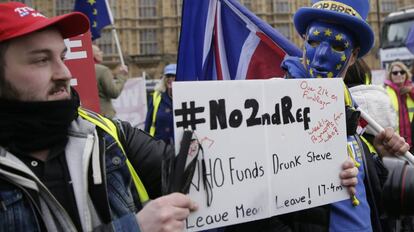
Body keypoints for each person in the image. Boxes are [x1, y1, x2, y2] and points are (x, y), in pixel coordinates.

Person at [0, 2, 197, 232]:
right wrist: (133, 229)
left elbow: (197, 173)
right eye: (41, 59)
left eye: (63, 57)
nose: (65, 73)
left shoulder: (106, 133)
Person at [277, 0, 410, 231]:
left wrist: (380, 158)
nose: (319, 57)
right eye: (314, 41)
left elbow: (365, 195)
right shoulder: (277, 106)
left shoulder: (347, 105)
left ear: (353, 55)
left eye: (338, 46)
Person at [384, 61, 414, 151]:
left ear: (406, 74)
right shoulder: (385, 92)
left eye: (402, 72)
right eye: (395, 73)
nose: (399, 74)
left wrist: (411, 91)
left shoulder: (411, 90)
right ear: (390, 75)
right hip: (395, 142)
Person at [92, 44, 128, 118]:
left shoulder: (83, 70)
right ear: (92, 55)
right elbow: (114, 92)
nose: (102, 53)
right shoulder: (102, 70)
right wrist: (121, 76)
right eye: (98, 51)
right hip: (105, 115)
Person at [144, 64, 176, 144]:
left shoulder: (185, 98)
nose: (170, 79)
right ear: (164, 79)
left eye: (173, 76)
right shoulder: (156, 97)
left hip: (179, 146)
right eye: (168, 76)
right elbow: (148, 123)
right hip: (159, 145)